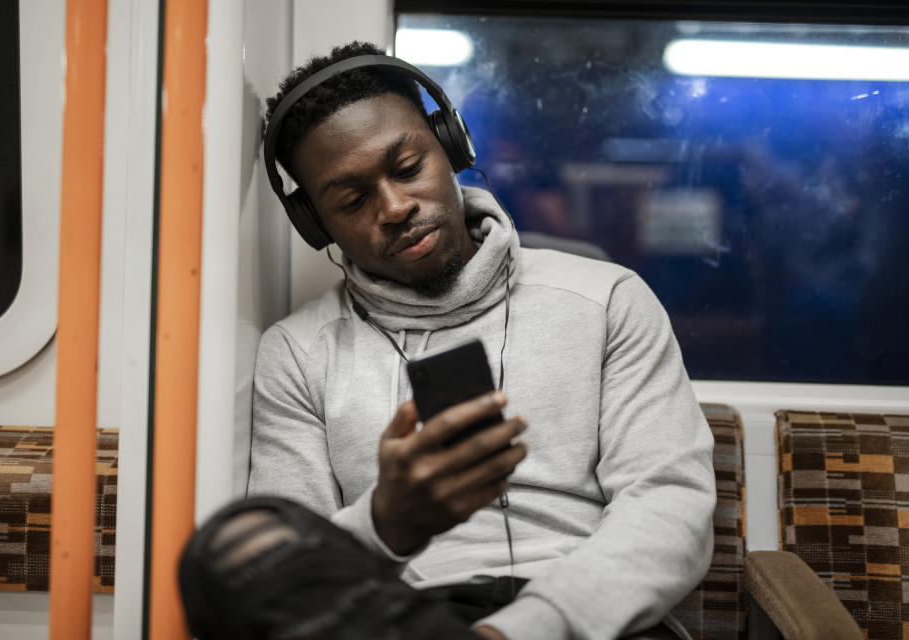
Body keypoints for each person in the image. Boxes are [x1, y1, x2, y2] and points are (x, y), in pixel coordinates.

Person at [225, 41, 715, 640]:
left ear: (451, 147)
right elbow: (287, 581)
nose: (397, 206)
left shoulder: (608, 298)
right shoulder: (298, 353)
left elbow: (671, 509)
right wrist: (386, 524)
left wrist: (521, 629)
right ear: (314, 224)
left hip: (595, 619)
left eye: (408, 168)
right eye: (351, 201)